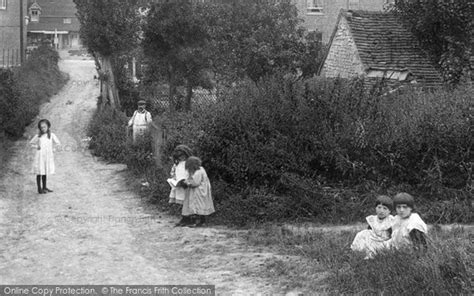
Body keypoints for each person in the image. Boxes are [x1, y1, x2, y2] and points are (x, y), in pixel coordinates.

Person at [29, 119, 61, 194]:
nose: (43, 129)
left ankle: (44, 187)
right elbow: (31, 143)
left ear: (48, 126)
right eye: (41, 127)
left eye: (44, 127)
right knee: (39, 172)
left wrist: (53, 150)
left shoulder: (52, 135)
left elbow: (58, 143)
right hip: (40, 156)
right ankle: (39, 189)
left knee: (45, 171)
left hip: (47, 156)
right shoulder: (38, 136)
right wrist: (36, 146)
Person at [183, 157, 215, 227]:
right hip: (203, 190)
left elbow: (195, 182)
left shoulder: (198, 172)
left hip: (199, 191)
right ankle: (202, 221)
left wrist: (187, 183)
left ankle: (199, 222)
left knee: (198, 206)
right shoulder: (201, 169)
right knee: (202, 205)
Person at [168, 145, 193, 226]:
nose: (182, 158)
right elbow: (173, 173)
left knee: (187, 202)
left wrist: (187, 180)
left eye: (183, 156)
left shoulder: (189, 164)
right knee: (182, 202)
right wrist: (173, 179)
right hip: (179, 186)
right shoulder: (176, 164)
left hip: (186, 185)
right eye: (179, 156)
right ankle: (185, 218)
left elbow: (191, 173)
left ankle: (187, 218)